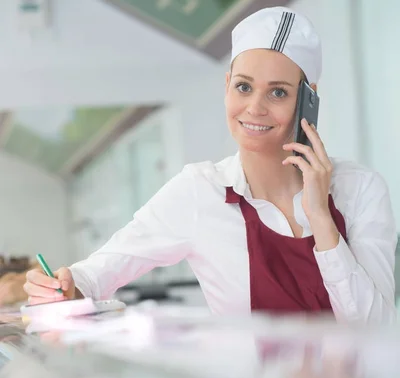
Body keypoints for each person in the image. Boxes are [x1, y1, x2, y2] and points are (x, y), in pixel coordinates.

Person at [24, 6, 396, 323]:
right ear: (227, 86)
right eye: (244, 87)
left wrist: (320, 217)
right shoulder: (200, 192)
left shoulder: (359, 189)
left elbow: (374, 327)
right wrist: (65, 285)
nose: (255, 108)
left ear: (309, 100)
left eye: (279, 92)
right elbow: (96, 274)